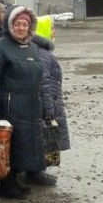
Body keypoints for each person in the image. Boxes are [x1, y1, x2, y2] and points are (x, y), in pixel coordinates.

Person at [0, 6, 51, 199]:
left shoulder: (32, 47)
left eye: (25, 24)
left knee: (25, 144)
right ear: (9, 25)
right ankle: (7, 185)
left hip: (30, 104)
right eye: (17, 24)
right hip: (9, 105)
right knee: (8, 146)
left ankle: (16, 182)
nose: (21, 28)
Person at [34, 17, 70, 158]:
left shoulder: (43, 51)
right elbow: (44, 84)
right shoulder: (42, 53)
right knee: (45, 137)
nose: (54, 32)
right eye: (51, 28)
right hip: (48, 105)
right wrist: (49, 110)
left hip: (51, 103)